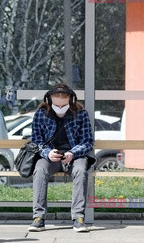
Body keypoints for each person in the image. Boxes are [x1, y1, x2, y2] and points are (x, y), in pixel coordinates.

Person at [28, 83, 95, 233]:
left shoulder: (80, 114)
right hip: (50, 156)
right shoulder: (41, 114)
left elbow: (87, 141)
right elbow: (36, 141)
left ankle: (78, 218)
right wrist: (47, 153)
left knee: (80, 170)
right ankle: (38, 217)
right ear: (49, 99)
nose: (59, 106)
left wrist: (72, 153)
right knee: (39, 170)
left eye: (63, 102)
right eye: (56, 101)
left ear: (70, 100)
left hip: (73, 155)